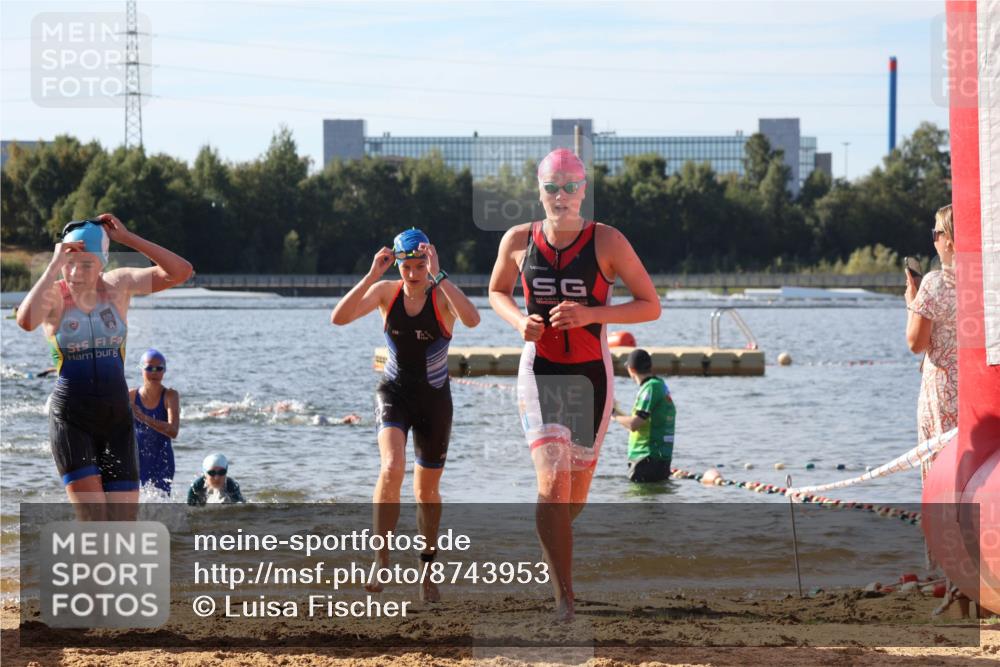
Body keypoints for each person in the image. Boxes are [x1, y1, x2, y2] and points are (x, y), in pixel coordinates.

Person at [488, 148, 661, 620]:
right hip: (540, 370)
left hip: (591, 377)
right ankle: (565, 596)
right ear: (539, 190)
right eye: (551, 187)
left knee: (574, 493)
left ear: (583, 190)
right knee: (550, 483)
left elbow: (650, 305)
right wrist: (517, 320)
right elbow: (496, 291)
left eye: (570, 186)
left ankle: (553, 544)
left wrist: (591, 315)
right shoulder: (518, 239)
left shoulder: (608, 241)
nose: (560, 196)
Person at [331, 228, 480, 602]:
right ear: (396, 264)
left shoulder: (441, 296)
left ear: (429, 264)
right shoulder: (386, 292)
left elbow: (474, 319)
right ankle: (381, 557)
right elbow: (339, 317)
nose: (413, 273)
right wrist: (370, 276)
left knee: (426, 492)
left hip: (434, 400)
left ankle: (427, 571)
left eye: (420, 265)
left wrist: (441, 276)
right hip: (394, 392)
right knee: (391, 467)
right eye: (406, 266)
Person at [15, 214, 193, 520]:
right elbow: (27, 320)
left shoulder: (118, 286)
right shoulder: (55, 295)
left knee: (122, 527)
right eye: (70, 262)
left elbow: (181, 272)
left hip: (116, 420)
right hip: (72, 419)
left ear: (103, 262)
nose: (76, 271)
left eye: (86, 264)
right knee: (95, 523)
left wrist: (129, 238)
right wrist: (53, 265)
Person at [905, 205, 965, 616]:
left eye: (936, 233)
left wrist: (911, 301)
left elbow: (916, 342)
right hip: (976, 392)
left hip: (941, 392)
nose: (932, 240)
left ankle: (953, 580)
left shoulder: (933, 283)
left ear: (949, 239)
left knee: (940, 483)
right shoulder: (986, 281)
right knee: (969, 481)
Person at [612, 349, 676, 483]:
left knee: (637, 501)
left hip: (646, 458)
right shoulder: (659, 385)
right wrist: (615, 412)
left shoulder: (650, 388)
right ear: (650, 367)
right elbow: (637, 424)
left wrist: (612, 412)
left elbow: (634, 424)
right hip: (659, 458)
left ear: (631, 369)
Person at [129, 349, 180, 495]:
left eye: (159, 368)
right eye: (149, 368)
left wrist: (143, 418)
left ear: (164, 371)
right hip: (136, 460)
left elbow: (173, 430)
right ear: (141, 370)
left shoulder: (170, 396)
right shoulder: (131, 396)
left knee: (160, 502)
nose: (154, 373)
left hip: (162, 460)